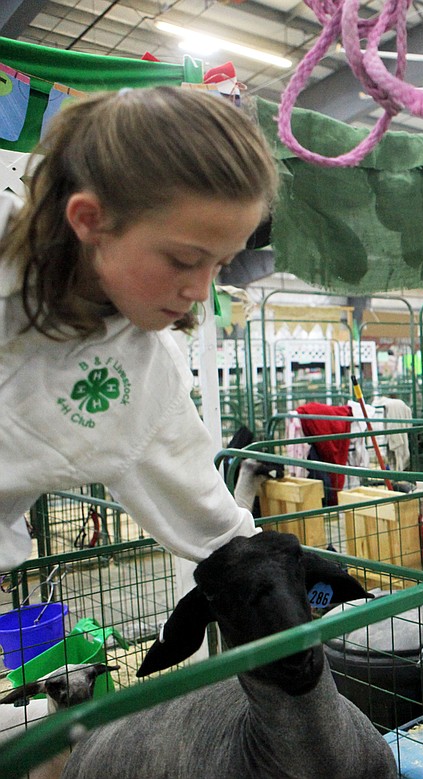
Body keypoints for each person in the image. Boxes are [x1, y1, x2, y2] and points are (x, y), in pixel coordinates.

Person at [0, 86, 279, 572]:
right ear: (90, 220)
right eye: (184, 260)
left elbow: (201, 503)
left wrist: (253, 563)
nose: (199, 290)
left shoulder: (143, 371)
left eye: (220, 265)